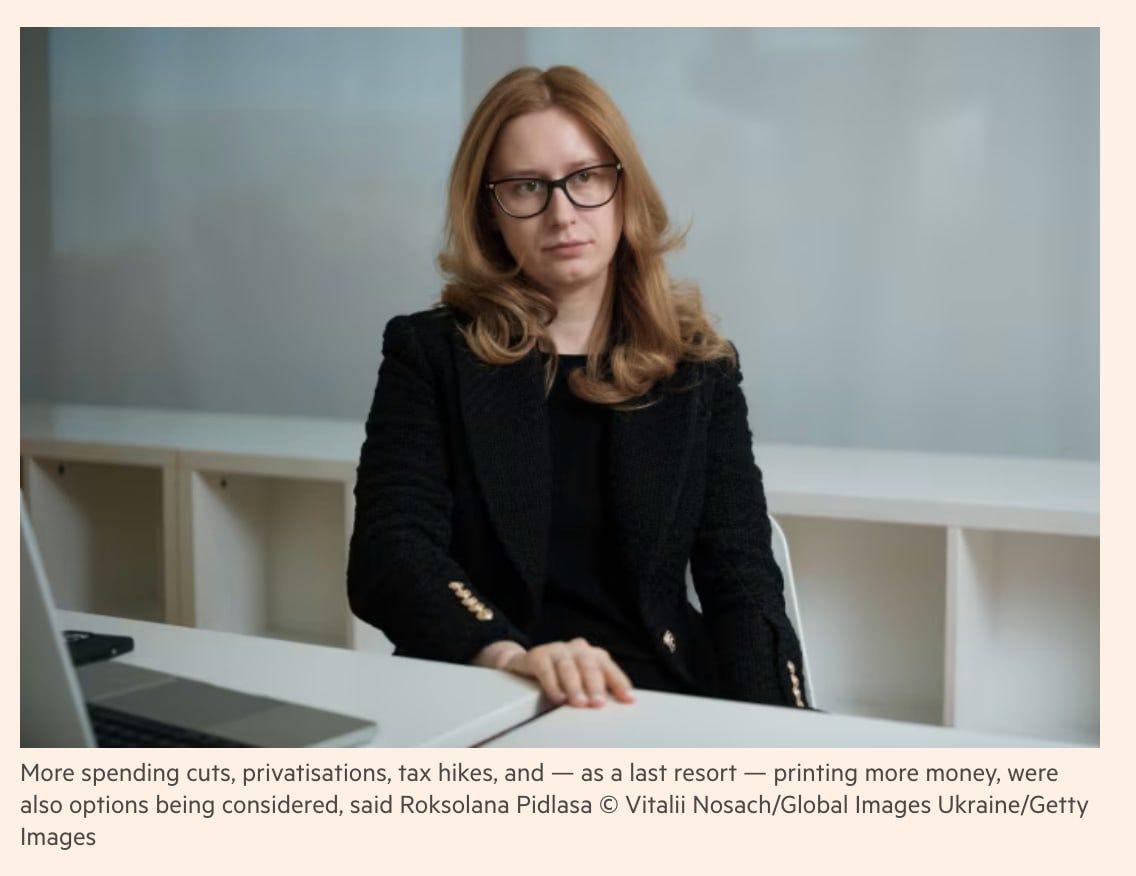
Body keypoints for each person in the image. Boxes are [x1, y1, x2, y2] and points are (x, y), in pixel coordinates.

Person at [347, 65, 808, 711]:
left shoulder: (696, 365)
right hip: (492, 688)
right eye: (526, 187)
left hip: (658, 699)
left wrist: (783, 735)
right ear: (490, 212)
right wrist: (508, 656)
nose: (562, 214)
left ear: (624, 189)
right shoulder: (431, 354)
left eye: (585, 177)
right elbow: (390, 554)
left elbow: (742, 581)